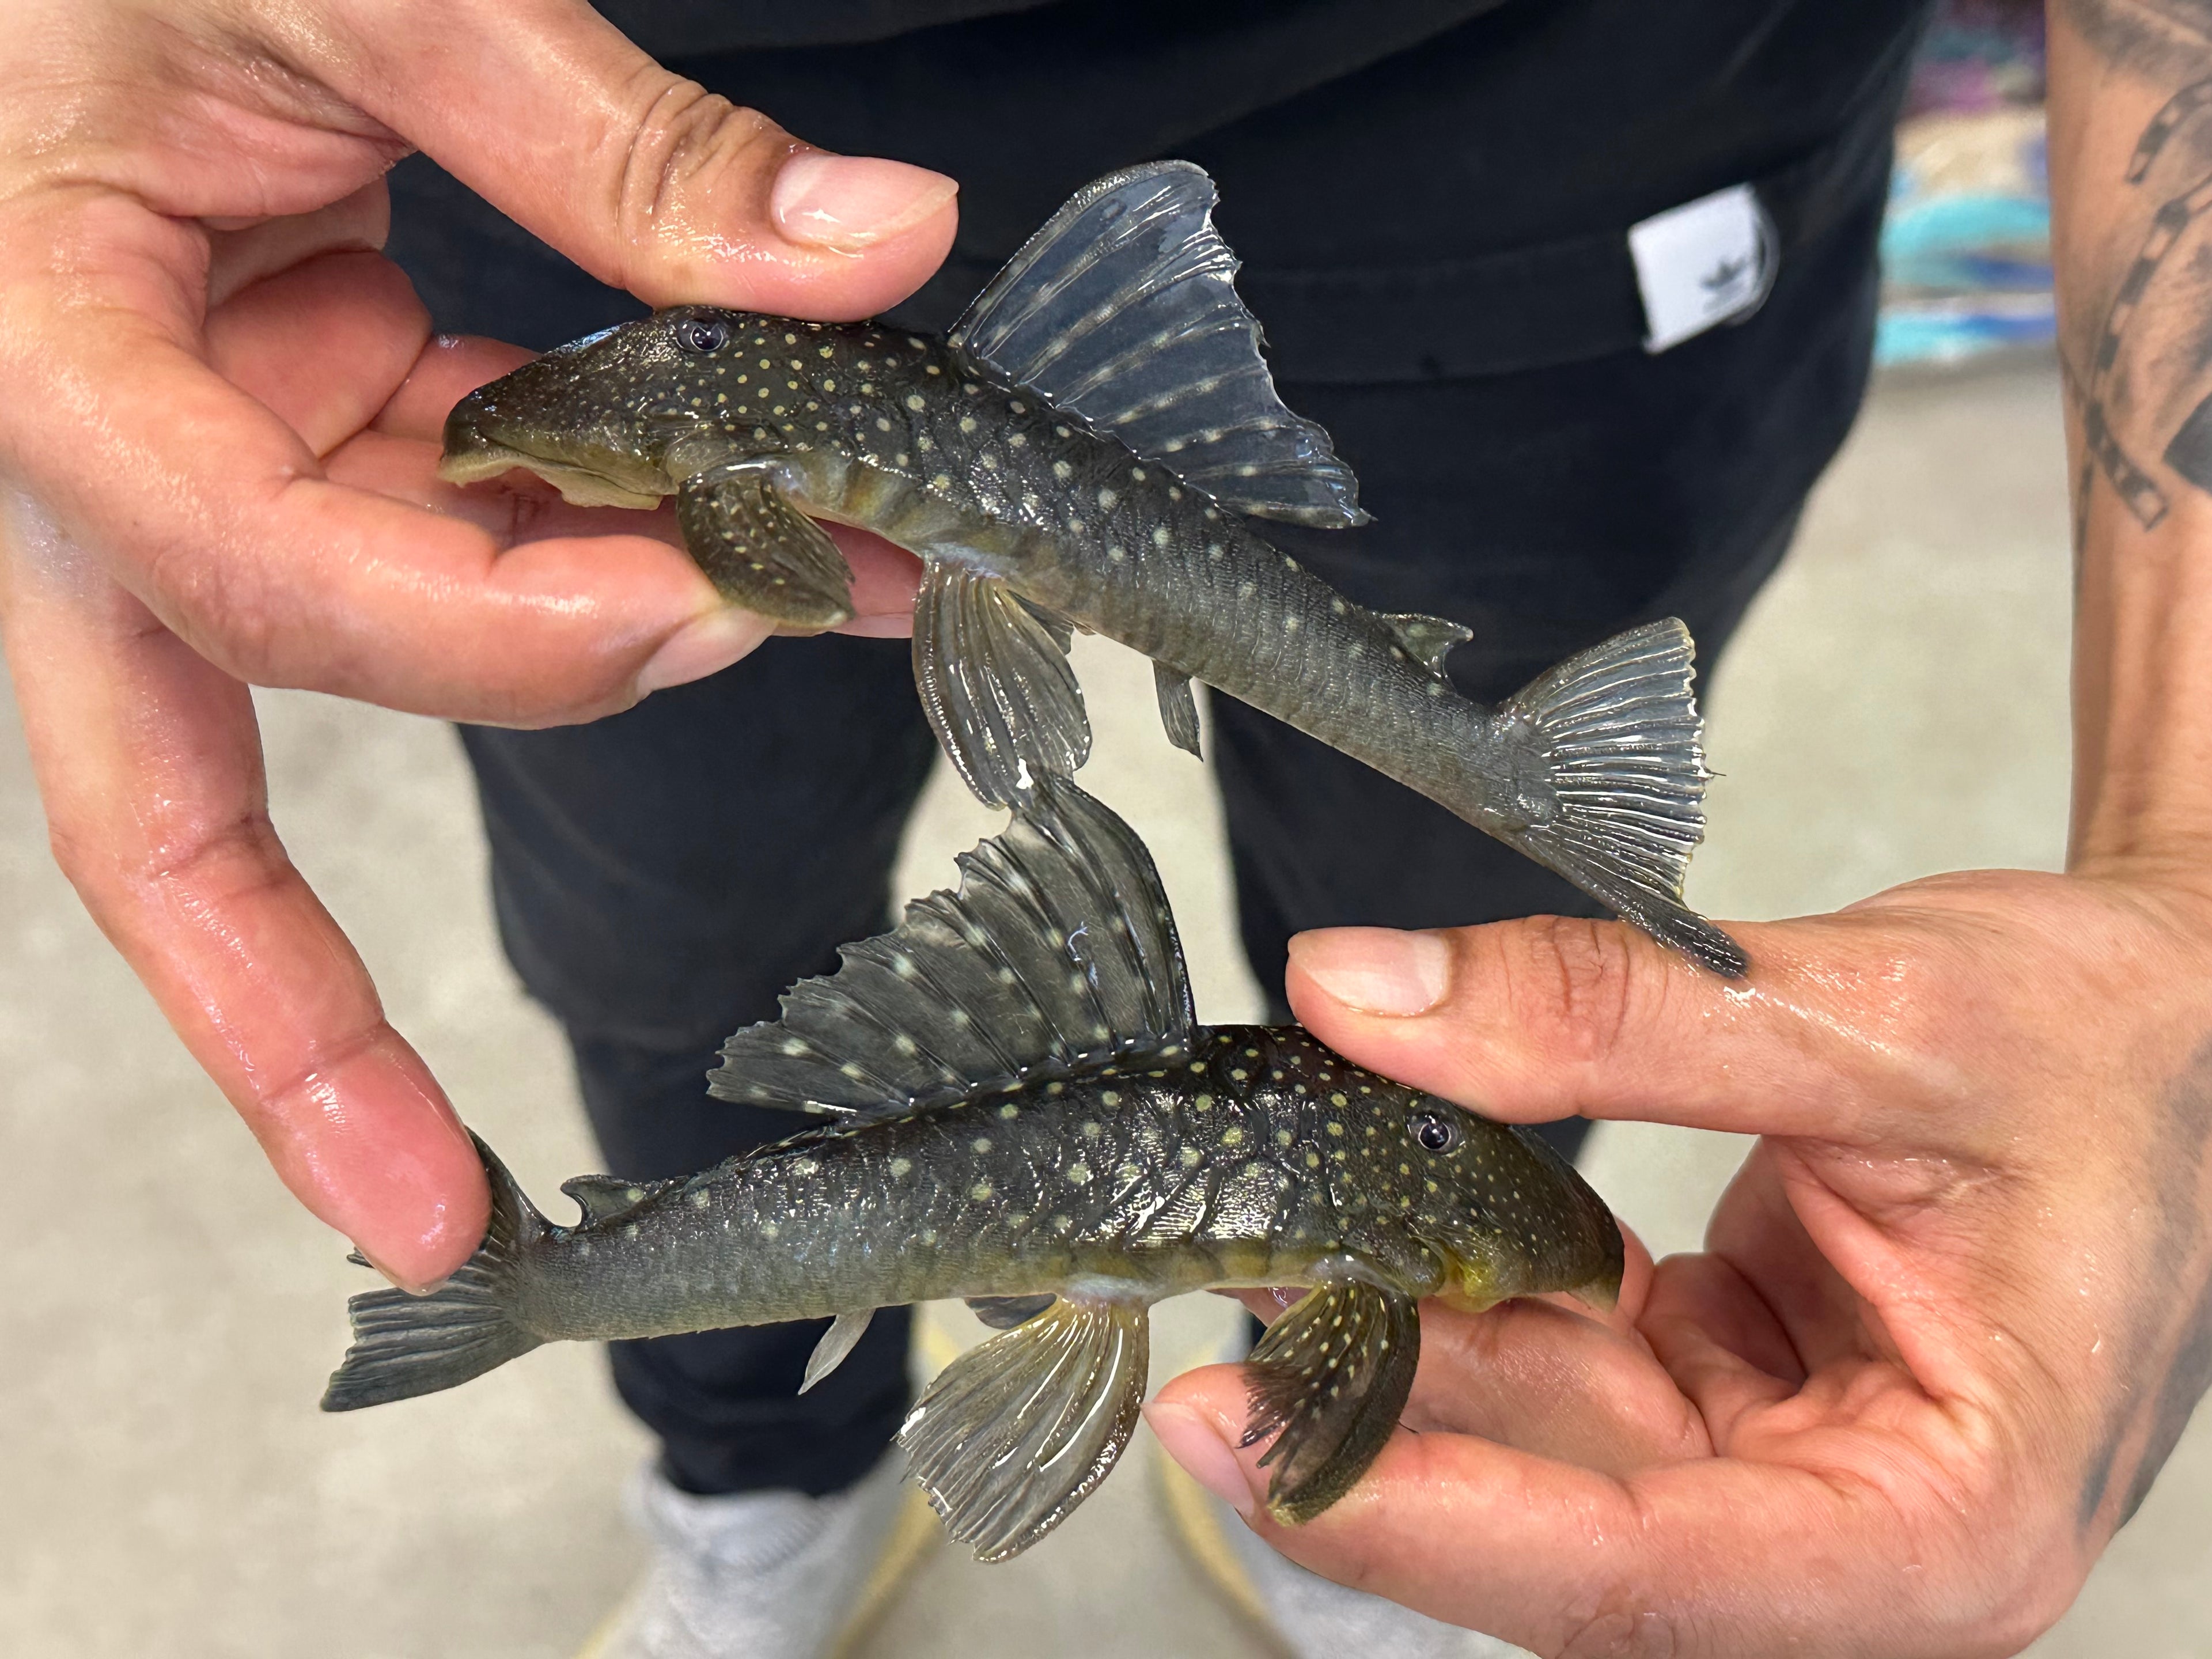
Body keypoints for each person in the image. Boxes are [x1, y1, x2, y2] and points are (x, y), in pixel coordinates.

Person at [0, 1, 2205, 1656]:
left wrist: (2186, 888)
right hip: (512, 104)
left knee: (1480, 996)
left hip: (1572, 161)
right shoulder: (607, 410)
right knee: (673, 941)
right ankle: (760, 1462)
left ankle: (1352, 1445)